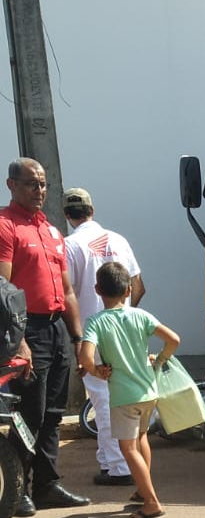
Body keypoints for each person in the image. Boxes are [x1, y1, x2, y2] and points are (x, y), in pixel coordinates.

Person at [0, 158, 91, 517]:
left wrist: (79, 337)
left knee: (53, 413)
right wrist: (17, 339)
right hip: (27, 330)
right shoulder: (6, 226)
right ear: (11, 185)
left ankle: (47, 485)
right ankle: (17, 490)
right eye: (31, 184)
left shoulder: (52, 231)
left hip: (55, 329)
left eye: (43, 184)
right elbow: (2, 288)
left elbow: (67, 291)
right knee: (29, 414)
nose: (39, 191)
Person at [80, 261, 179, 518]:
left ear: (97, 290)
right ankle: (141, 490)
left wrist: (96, 371)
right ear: (128, 290)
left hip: (124, 397)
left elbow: (86, 357)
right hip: (149, 391)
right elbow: (173, 339)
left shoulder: (96, 322)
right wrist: (159, 361)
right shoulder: (141, 315)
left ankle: (151, 502)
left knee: (128, 449)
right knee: (142, 439)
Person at [63, 187, 146, 486]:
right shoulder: (119, 240)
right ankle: (111, 463)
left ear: (66, 214)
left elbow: (66, 293)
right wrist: (125, 316)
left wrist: (76, 339)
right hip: (125, 330)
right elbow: (139, 287)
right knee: (119, 398)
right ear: (92, 210)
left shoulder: (70, 245)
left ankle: (121, 467)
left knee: (103, 399)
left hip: (92, 333)